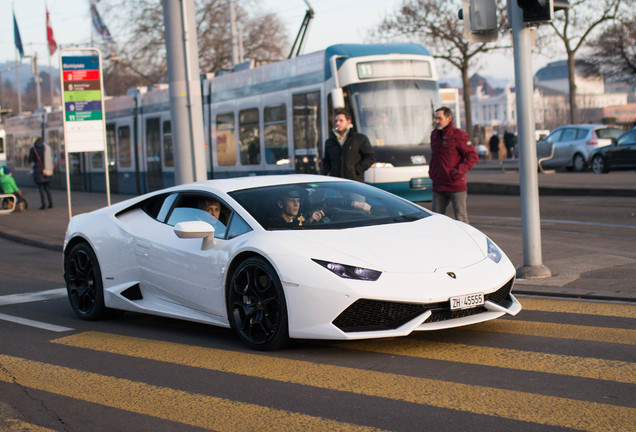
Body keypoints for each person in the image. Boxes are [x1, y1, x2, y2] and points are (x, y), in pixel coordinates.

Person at [429, 107, 478, 224]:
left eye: (439, 118)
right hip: (439, 184)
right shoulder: (434, 135)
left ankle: (465, 241)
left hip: (455, 184)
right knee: (435, 219)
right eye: (435, 118)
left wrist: (458, 172)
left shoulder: (459, 135)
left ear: (449, 118)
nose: (436, 121)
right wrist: (432, 172)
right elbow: (434, 156)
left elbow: (473, 156)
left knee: (461, 219)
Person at [322, 110, 376, 182]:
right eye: (336, 121)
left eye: (341, 121)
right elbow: (326, 161)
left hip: (354, 182)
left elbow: (370, 157)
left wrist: (357, 170)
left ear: (348, 122)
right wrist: (328, 173)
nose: (337, 123)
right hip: (335, 182)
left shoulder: (360, 139)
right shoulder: (329, 142)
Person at [27, 137, 53, 209]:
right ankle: (51, 203)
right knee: (47, 188)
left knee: (41, 188)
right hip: (47, 170)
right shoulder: (46, 148)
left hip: (38, 171)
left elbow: (30, 160)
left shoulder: (33, 149)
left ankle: (44, 204)